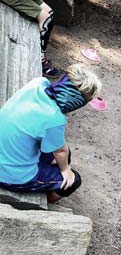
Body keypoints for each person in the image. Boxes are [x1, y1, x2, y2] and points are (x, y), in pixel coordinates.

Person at [0, 64, 100, 203]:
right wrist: (66, 170)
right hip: (10, 175)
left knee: (63, 155)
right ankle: (44, 201)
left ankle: (46, 179)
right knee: (73, 181)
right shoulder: (54, 119)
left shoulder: (38, 83)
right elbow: (60, 151)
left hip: (7, 150)